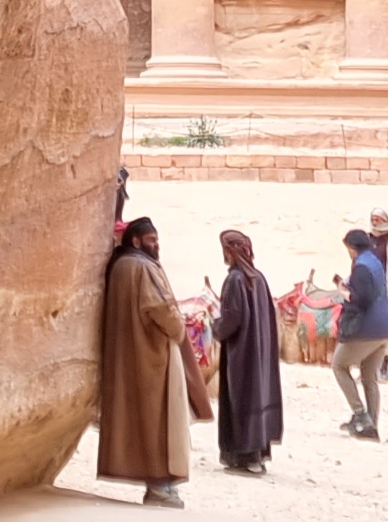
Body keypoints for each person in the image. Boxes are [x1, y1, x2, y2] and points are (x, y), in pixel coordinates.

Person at [95, 214, 203, 505]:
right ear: (136, 241)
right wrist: (179, 329)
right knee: (159, 422)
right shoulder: (143, 267)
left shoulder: (119, 266)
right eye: (152, 241)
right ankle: (159, 486)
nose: (156, 246)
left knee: (138, 420)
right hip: (153, 358)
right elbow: (163, 310)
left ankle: (156, 484)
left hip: (128, 357)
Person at [209, 229, 283, 474]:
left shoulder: (235, 280)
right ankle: (255, 456)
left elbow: (232, 319)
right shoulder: (259, 278)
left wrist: (214, 326)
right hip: (259, 353)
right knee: (256, 396)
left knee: (241, 398)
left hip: (242, 353)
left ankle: (247, 457)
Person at [329, 226, 388, 439]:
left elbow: (362, 299)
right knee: (369, 376)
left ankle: (360, 414)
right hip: (385, 328)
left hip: (368, 328)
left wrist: (345, 294)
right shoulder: (375, 261)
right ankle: (372, 425)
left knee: (339, 365)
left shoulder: (361, 266)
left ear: (351, 248)